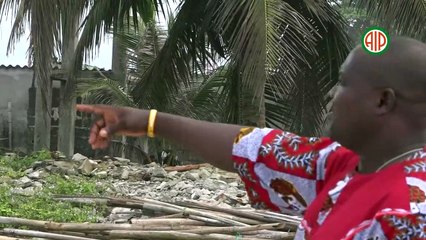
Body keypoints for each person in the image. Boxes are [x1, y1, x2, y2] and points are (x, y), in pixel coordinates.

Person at [76, 37, 426, 240]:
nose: (332, 95)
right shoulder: (347, 165)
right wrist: (146, 120)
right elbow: (253, 149)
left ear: (383, 101)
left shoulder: (408, 216)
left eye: (344, 83)